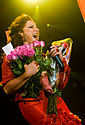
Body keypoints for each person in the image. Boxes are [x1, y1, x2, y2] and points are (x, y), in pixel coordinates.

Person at [0, 14, 81, 125]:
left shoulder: (44, 56)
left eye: (36, 27)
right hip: (33, 106)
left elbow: (60, 85)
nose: (36, 29)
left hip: (55, 103)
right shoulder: (12, 57)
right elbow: (7, 89)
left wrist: (60, 61)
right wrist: (26, 74)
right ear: (20, 33)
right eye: (31, 27)